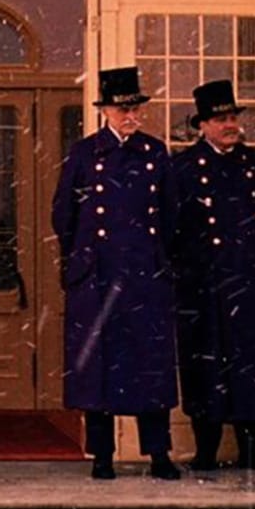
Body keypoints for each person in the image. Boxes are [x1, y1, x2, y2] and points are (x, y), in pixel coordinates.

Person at [51, 66, 182, 481]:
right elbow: (63, 215)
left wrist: (160, 260)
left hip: (145, 275)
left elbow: (171, 215)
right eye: (121, 108)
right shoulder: (84, 153)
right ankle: (103, 454)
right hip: (98, 275)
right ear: (104, 110)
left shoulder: (154, 153)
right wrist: (83, 259)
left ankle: (158, 453)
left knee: (150, 365)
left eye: (135, 108)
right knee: (98, 368)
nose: (130, 115)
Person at [172, 79, 255, 471]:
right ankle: (206, 450)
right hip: (203, 284)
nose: (230, 125)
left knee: (251, 363)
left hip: (250, 280)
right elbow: (174, 227)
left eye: (233, 117)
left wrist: (245, 255)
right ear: (202, 125)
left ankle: (251, 449)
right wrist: (198, 264)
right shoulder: (184, 167)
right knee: (205, 364)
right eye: (220, 119)